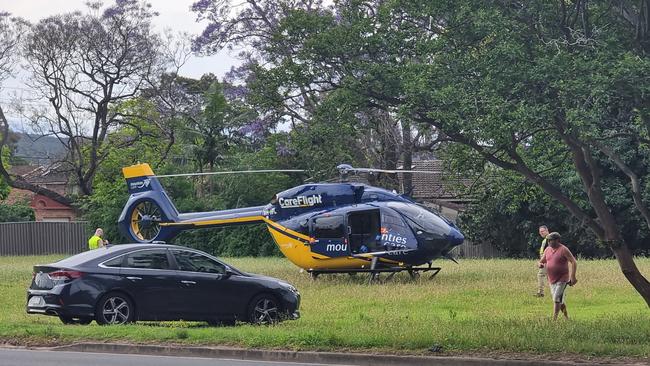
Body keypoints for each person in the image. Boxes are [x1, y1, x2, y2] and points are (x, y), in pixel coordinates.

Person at [538, 232, 578, 320]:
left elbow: (574, 262)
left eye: (551, 240)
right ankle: (566, 317)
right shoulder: (547, 249)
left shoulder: (564, 249)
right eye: (548, 240)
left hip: (563, 279)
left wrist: (573, 277)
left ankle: (554, 320)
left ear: (557, 240)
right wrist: (540, 264)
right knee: (559, 300)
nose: (549, 242)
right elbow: (542, 260)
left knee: (556, 298)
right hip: (552, 279)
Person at [535, 225, 550, 297]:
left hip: (546, 261)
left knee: (540, 275)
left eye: (542, 231)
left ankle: (540, 293)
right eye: (540, 232)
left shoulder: (549, 239)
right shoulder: (545, 239)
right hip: (545, 260)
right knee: (549, 277)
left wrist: (542, 261)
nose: (541, 233)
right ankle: (555, 293)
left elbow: (548, 252)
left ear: (547, 230)